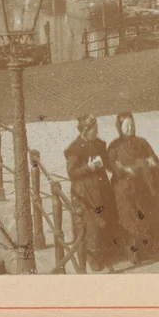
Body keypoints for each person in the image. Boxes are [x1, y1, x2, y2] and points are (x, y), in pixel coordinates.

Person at [107, 112, 159, 263]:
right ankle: (134, 253)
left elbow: (155, 159)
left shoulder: (142, 142)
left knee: (147, 217)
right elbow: (111, 165)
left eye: (132, 124)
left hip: (143, 186)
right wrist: (123, 169)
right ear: (119, 127)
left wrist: (151, 161)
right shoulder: (114, 145)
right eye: (126, 126)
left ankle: (151, 248)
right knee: (130, 219)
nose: (130, 128)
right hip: (124, 188)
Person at [65, 115, 120, 271]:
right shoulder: (75, 149)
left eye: (97, 129)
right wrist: (89, 168)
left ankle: (106, 253)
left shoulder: (99, 144)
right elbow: (71, 172)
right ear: (85, 131)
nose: (97, 132)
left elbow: (108, 163)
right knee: (91, 225)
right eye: (93, 130)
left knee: (106, 219)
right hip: (85, 193)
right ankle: (92, 258)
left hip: (102, 189)